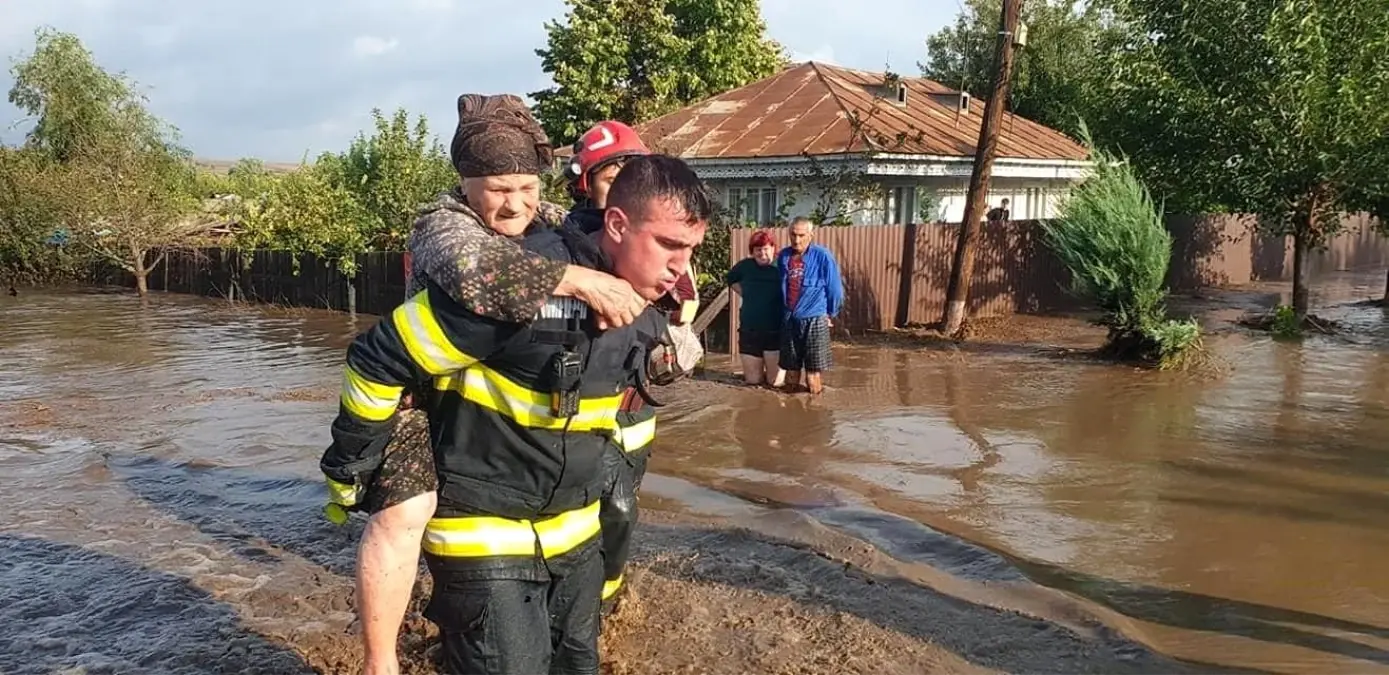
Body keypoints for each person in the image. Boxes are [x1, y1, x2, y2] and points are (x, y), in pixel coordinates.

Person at [323, 153, 712, 675]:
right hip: (485, 536)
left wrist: (668, 352)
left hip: (574, 536)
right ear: (617, 224)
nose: (680, 269)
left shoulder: (645, 299)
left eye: (690, 250)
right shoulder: (518, 289)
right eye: (669, 245)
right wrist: (353, 466)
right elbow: (377, 358)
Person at [562, 119, 691, 610]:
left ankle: (605, 596)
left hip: (632, 406)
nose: (619, 185)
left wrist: (677, 341)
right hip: (576, 402)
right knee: (587, 506)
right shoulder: (563, 242)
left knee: (621, 508)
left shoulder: (662, 240)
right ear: (585, 184)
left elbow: (680, 298)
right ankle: (577, 600)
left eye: (629, 174)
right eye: (607, 175)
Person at [777, 217, 843, 395]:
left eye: (801, 235)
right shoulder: (783, 256)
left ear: (810, 235)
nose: (796, 240)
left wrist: (830, 314)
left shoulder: (823, 256)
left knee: (812, 375)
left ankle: (815, 414)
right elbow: (781, 288)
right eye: (793, 235)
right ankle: (791, 412)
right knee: (790, 372)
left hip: (814, 319)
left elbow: (835, 289)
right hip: (790, 320)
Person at [726, 229, 784, 386]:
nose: (762, 253)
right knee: (753, 382)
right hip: (750, 331)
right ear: (752, 251)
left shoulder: (782, 265)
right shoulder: (744, 267)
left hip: (776, 331)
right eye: (758, 249)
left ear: (773, 248)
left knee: (775, 383)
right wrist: (747, 294)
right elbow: (730, 279)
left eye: (766, 248)